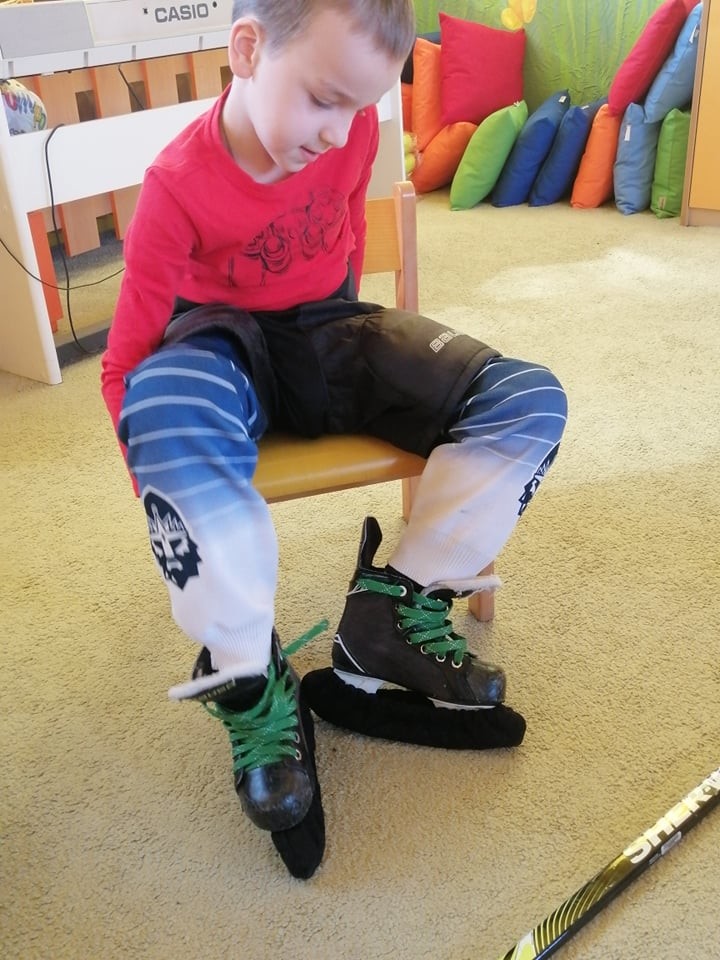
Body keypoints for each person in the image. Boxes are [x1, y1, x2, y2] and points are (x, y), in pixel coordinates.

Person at [101, 0, 568, 880]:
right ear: (247, 50)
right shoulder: (176, 183)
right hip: (219, 347)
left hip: (332, 330)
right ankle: (248, 669)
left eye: (362, 106)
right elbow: (124, 363)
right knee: (157, 401)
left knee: (528, 399)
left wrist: (364, 368)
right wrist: (172, 500)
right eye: (324, 98)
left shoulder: (348, 137)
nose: (340, 131)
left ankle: (389, 612)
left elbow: (348, 251)